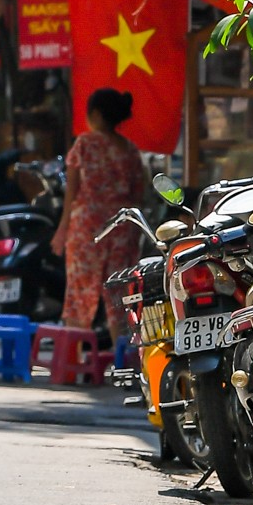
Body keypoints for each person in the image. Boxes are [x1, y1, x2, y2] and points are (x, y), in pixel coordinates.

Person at [51, 86, 146, 340]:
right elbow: (139, 193)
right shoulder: (130, 150)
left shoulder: (84, 143)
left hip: (88, 228)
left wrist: (62, 229)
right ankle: (123, 363)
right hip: (122, 228)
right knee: (120, 297)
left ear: (95, 114)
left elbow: (71, 192)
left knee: (80, 295)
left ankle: (75, 362)